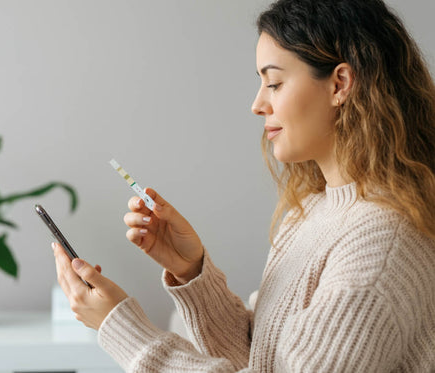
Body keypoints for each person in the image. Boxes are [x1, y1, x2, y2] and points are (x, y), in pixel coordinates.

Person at [53, 0, 435, 371]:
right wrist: (191, 271)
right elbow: (260, 359)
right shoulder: (311, 213)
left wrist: (122, 329)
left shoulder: (383, 243)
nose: (257, 104)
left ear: (339, 84)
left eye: (274, 83)